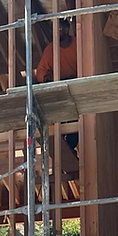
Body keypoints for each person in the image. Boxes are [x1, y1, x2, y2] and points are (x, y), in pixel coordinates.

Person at [35, 18, 79, 155]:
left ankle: (69, 148)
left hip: (76, 86)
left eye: (59, 29)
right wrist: (46, 78)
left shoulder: (78, 44)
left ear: (66, 30)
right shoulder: (50, 49)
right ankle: (59, 145)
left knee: (75, 120)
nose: (55, 32)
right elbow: (40, 71)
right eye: (53, 30)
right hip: (59, 88)